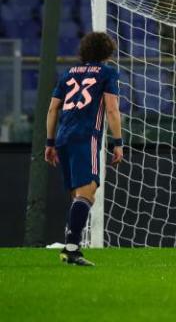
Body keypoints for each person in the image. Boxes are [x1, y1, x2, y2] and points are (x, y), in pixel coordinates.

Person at [44, 32, 124, 267]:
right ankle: (71, 249)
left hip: (63, 138)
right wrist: (118, 142)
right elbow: (111, 110)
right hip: (85, 136)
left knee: (78, 195)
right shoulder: (108, 73)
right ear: (108, 52)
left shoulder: (68, 73)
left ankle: (72, 247)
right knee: (86, 194)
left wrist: (49, 143)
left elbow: (52, 110)